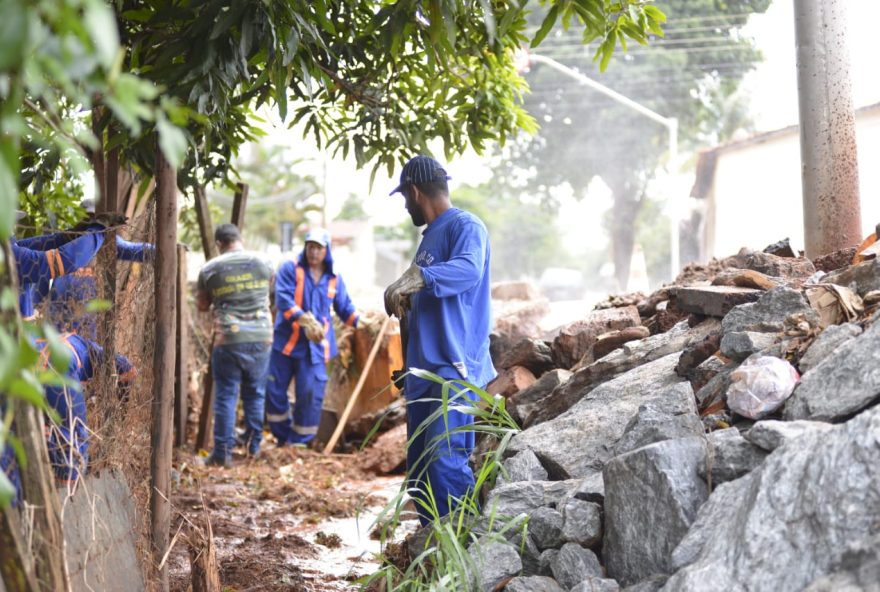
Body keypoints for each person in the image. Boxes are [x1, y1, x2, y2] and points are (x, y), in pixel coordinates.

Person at [384, 155, 496, 525]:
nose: (405, 205)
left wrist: (419, 277)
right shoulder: (428, 238)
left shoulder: (466, 226)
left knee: (445, 459)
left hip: (454, 368)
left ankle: (463, 551)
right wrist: (406, 364)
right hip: (424, 373)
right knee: (420, 472)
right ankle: (433, 554)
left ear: (415, 192)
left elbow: (467, 269)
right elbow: (420, 310)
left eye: (404, 198)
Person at [0, 332, 136, 502]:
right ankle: (69, 500)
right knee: (72, 439)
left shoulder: (75, 343)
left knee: (10, 438)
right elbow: (129, 371)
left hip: (14, 369)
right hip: (54, 369)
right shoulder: (91, 360)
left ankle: (13, 508)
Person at [266, 227, 363, 445]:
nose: (313, 253)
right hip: (287, 343)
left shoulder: (334, 278)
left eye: (318, 248)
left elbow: (345, 309)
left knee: (309, 396)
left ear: (326, 250)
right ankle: (282, 436)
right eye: (310, 247)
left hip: (316, 349)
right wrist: (304, 320)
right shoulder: (291, 268)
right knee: (274, 391)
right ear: (305, 248)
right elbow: (282, 299)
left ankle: (299, 442)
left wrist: (364, 322)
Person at [196, 224, 273, 466]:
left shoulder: (210, 269)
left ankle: (222, 453)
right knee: (255, 394)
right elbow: (269, 292)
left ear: (219, 243)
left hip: (229, 339)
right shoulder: (264, 262)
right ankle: (253, 449)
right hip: (261, 337)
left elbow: (201, 306)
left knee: (227, 395)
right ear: (240, 238)